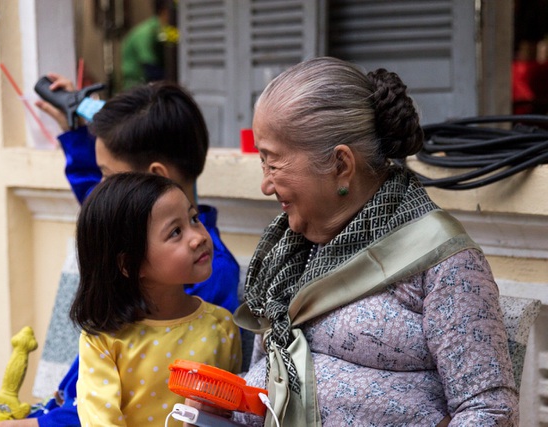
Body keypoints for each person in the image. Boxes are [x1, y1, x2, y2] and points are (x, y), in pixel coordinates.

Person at [222, 56, 518, 426]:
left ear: (341, 165)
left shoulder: (443, 260)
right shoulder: (290, 250)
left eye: (273, 163)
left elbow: (490, 412)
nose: (265, 184)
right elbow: (269, 375)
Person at [0, 79, 241, 426]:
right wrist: (74, 132)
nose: (99, 187)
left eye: (106, 174)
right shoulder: (158, 249)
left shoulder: (207, 277)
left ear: (152, 177)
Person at [70, 172, 242, 425]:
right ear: (130, 263)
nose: (198, 237)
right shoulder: (104, 340)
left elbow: (228, 416)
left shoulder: (221, 325)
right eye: (175, 232)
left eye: (194, 219)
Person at [120, 0, 169, 91]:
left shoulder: (161, 30)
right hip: (136, 86)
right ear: (164, 11)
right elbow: (149, 66)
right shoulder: (147, 32)